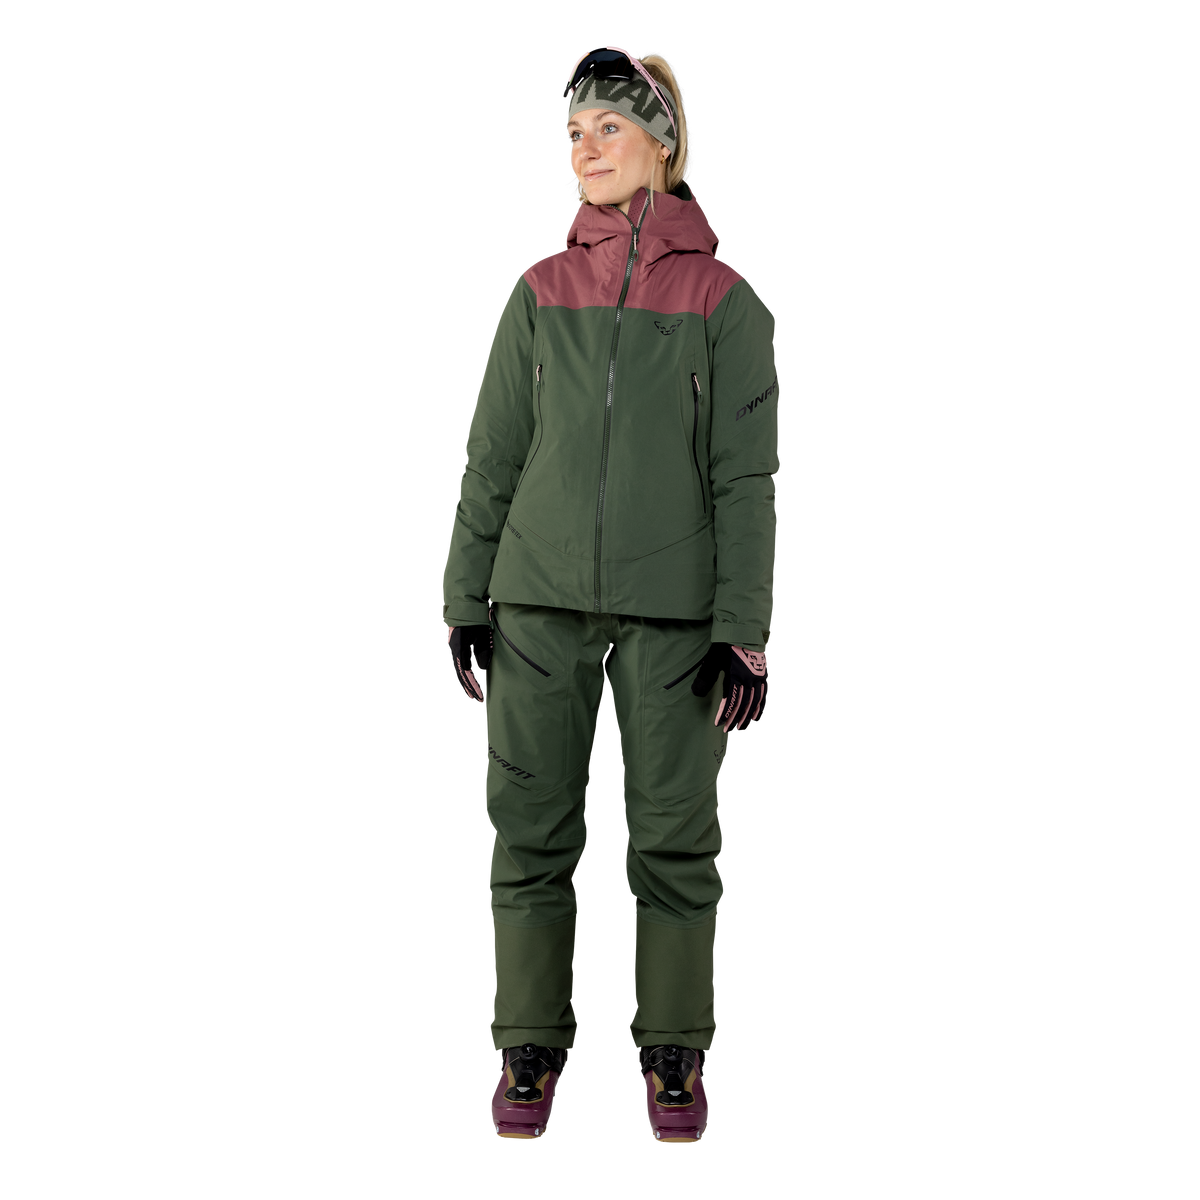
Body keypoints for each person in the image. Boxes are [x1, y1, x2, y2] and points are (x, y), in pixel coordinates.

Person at [440, 45, 781, 1145]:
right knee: (528, 835)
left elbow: (748, 478)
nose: (584, 148)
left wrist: (745, 631)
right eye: (573, 133)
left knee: (676, 842)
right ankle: (528, 1045)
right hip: (535, 604)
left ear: (664, 145)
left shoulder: (728, 301)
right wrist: (464, 599)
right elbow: (491, 454)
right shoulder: (537, 289)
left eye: (609, 128)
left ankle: (674, 1050)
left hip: (676, 615)